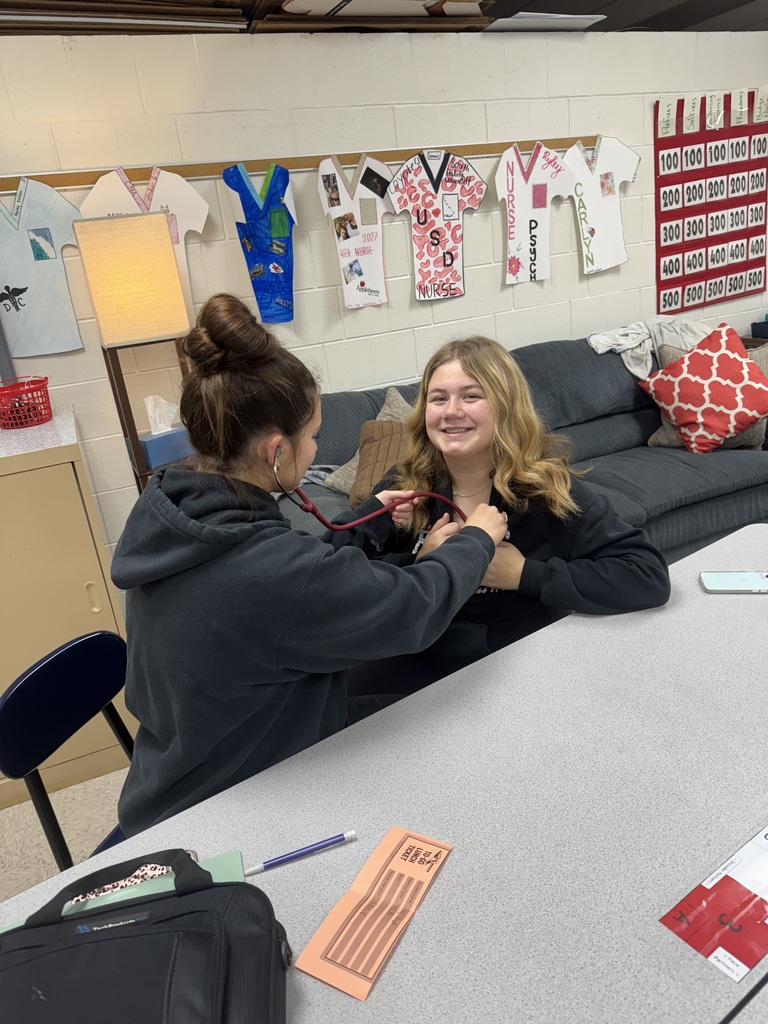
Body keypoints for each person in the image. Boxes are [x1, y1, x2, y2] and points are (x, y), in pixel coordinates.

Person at [111, 296, 508, 836]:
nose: (317, 445)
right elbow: (411, 609)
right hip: (231, 804)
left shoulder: (171, 512)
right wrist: (477, 541)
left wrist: (373, 517)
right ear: (276, 453)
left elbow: (298, 584)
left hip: (178, 762)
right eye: (314, 436)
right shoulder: (269, 571)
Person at [344, 335, 671, 697]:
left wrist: (523, 574)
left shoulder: (548, 490)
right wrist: (419, 564)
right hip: (419, 648)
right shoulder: (403, 485)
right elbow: (343, 580)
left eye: (471, 396)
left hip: (516, 656)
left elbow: (647, 576)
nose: (451, 410)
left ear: (505, 405)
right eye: (439, 398)